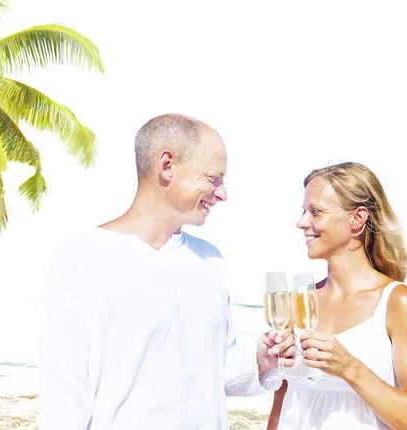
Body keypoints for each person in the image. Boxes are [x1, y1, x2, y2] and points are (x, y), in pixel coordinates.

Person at [38, 113, 295, 430]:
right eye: (214, 179)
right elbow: (63, 391)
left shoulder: (211, 261)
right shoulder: (82, 256)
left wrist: (260, 361)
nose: (223, 193)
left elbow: (219, 372)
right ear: (167, 165)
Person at [269, 162, 407, 429]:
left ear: (357, 219)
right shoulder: (297, 304)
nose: (301, 222)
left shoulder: (397, 303)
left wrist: (349, 367)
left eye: (315, 212)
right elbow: (282, 402)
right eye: (304, 211)